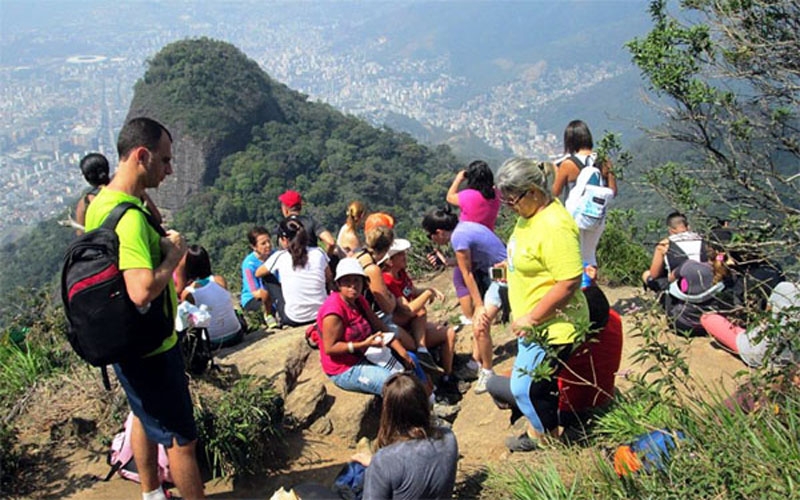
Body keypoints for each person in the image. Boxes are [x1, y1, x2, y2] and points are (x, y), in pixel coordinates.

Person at [84, 117, 205, 499]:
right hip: (153, 348)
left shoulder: (101, 203)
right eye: (165, 160)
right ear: (142, 155)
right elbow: (141, 290)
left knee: (141, 414)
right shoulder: (130, 221)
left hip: (124, 342)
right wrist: (174, 256)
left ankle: (152, 494)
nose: (170, 169)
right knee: (181, 441)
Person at [494, 157, 590, 452]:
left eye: (513, 200)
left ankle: (547, 440)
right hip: (536, 325)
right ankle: (544, 429)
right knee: (530, 386)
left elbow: (569, 281)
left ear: (534, 191)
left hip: (553, 326)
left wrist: (532, 318)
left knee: (526, 389)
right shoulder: (530, 215)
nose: (509, 207)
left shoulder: (554, 225)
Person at [422, 207, 507, 394]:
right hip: (501, 272)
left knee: (480, 325)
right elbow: (471, 261)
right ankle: (475, 363)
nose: (433, 240)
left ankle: (487, 371)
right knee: (480, 325)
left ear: (439, 232)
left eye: (431, 236)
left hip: (503, 278)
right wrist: (446, 261)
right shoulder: (464, 228)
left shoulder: (458, 238)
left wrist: (478, 306)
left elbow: (466, 273)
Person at [316, 258, 417, 396]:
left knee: (412, 360)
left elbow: (379, 326)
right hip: (345, 367)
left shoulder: (359, 300)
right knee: (395, 387)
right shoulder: (333, 311)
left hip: (367, 353)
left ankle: (430, 400)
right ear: (338, 283)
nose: (353, 285)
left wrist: (400, 350)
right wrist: (363, 344)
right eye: (347, 281)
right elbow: (330, 348)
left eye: (357, 280)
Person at [351, 373, 458, 500]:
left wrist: (376, 466)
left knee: (351, 472)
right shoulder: (449, 437)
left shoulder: (385, 459)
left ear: (389, 412)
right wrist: (375, 464)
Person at [381, 238, 457, 383]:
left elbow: (413, 290)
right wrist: (428, 293)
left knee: (449, 333)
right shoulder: (387, 280)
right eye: (401, 254)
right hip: (403, 327)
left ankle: (447, 376)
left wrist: (431, 290)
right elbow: (407, 309)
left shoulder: (401, 273)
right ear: (390, 261)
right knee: (420, 310)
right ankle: (423, 352)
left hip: (414, 324)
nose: (405, 257)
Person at [551, 120, 617, 280]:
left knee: (574, 256)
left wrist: (555, 170)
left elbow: (555, 192)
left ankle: (580, 293)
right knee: (590, 255)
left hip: (574, 217)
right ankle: (591, 290)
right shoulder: (604, 161)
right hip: (597, 215)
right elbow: (613, 191)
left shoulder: (567, 164)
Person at [445, 160, 501, 324]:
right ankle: (494, 311)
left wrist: (458, 179)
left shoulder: (468, 196)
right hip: (488, 240)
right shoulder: (496, 194)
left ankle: (470, 316)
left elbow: (449, 197)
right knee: (489, 277)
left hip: (467, 242)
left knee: (461, 279)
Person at [701, 282, 799, 368]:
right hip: (794, 356)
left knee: (707, 318)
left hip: (760, 351)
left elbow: (766, 316)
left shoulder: (786, 288)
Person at [256, 217, 331, 327]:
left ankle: (271, 314)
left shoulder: (280, 256)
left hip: (294, 318)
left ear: (284, 240)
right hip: (322, 314)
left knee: (267, 277)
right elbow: (328, 277)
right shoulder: (318, 252)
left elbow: (258, 273)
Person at [74, 152, 162, 235]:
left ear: (87, 178)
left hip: (105, 249)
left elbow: (81, 235)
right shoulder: (129, 188)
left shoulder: (85, 203)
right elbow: (157, 219)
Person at [180, 245, 244, 348]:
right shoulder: (220, 281)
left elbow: (189, 322)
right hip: (236, 335)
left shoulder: (188, 293)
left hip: (213, 343)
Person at [642, 211, 707, 293]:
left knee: (647, 275)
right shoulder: (703, 240)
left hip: (681, 289)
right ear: (688, 227)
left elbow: (654, 274)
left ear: (670, 230)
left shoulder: (664, 245)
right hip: (706, 285)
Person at [278, 189, 343, 260]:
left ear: (285, 208)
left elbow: (284, 248)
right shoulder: (311, 221)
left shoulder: (283, 225)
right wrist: (325, 259)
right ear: (300, 207)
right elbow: (331, 242)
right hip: (314, 264)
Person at [240, 226, 282, 327]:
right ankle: (268, 315)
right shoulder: (248, 264)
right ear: (254, 247)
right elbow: (255, 292)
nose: (268, 245)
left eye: (269, 241)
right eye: (263, 243)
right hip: (256, 298)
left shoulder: (276, 255)